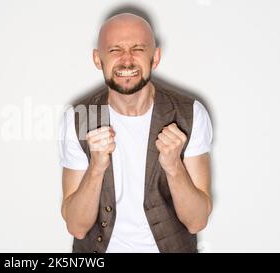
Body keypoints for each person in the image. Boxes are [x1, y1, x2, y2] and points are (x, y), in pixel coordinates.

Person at [59, 13, 213, 253]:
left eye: (138, 49)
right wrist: (96, 168)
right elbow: (77, 227)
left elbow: (197, 221)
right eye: (114, 50)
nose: (127, 60)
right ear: (97, 59)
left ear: (156, 57)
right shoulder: (80, 117)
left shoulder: (190, 114)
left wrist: (174, 167)